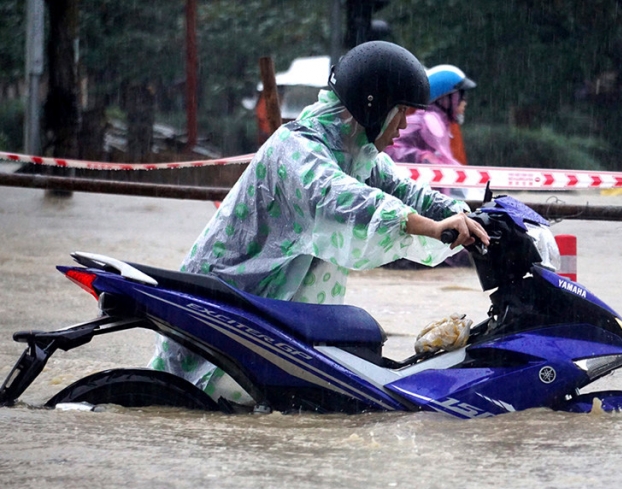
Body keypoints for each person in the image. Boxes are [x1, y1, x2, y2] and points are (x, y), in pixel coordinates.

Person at [147, 42, 489, 403]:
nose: (404, 125)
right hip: (233, 301)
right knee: (191, 405)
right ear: (373, 107)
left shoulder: (355, 152)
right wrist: (428, 227)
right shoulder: (299, 147)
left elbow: (403, 190)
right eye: (400, 112)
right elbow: (337, 196)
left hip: (279, 311)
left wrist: (467, 215)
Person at [384, 64, 477, 200]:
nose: (464, 103)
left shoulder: (442, 124)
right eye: (461, 97)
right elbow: (386, 148)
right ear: (445, 98)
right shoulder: (425, 122)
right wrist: (420, 156)